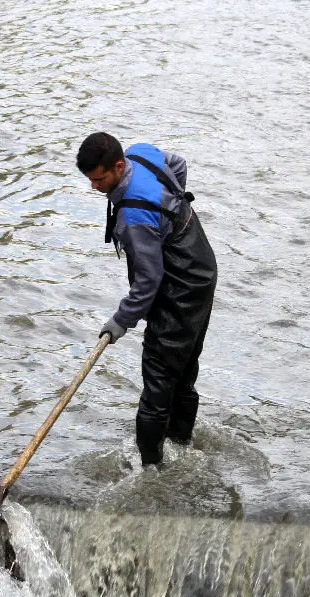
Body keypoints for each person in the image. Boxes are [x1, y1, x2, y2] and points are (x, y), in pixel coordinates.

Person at [76, 132, 218, 466]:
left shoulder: (136, 215)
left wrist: (119, 322)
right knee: (183, 370)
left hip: (181, 290)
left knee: (158, 380)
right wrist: (172, 209)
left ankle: (151, 471)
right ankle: (181, 445)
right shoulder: (142, 153)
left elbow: (148, 282)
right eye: (90, 181)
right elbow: (178, 163)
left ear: (119, 164)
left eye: (99, 180)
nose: (95, 187)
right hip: (202, 267)